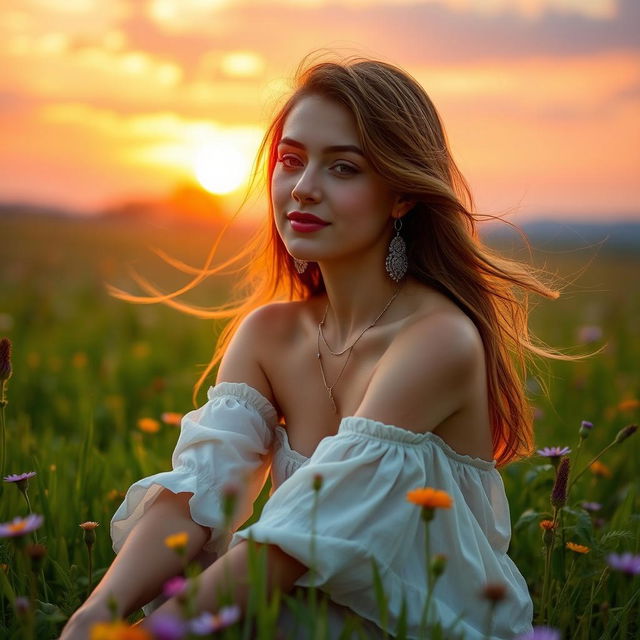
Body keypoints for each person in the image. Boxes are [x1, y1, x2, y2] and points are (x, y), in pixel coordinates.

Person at [59, 53, 565, 639]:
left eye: (343, 168)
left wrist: (151, 635)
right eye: (290, 161)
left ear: (402, 196)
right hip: (290, 614)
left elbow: (299, 541)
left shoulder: (438, 339)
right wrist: (95, 616)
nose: (302, 188)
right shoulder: (270, 334)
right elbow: (199, 492)